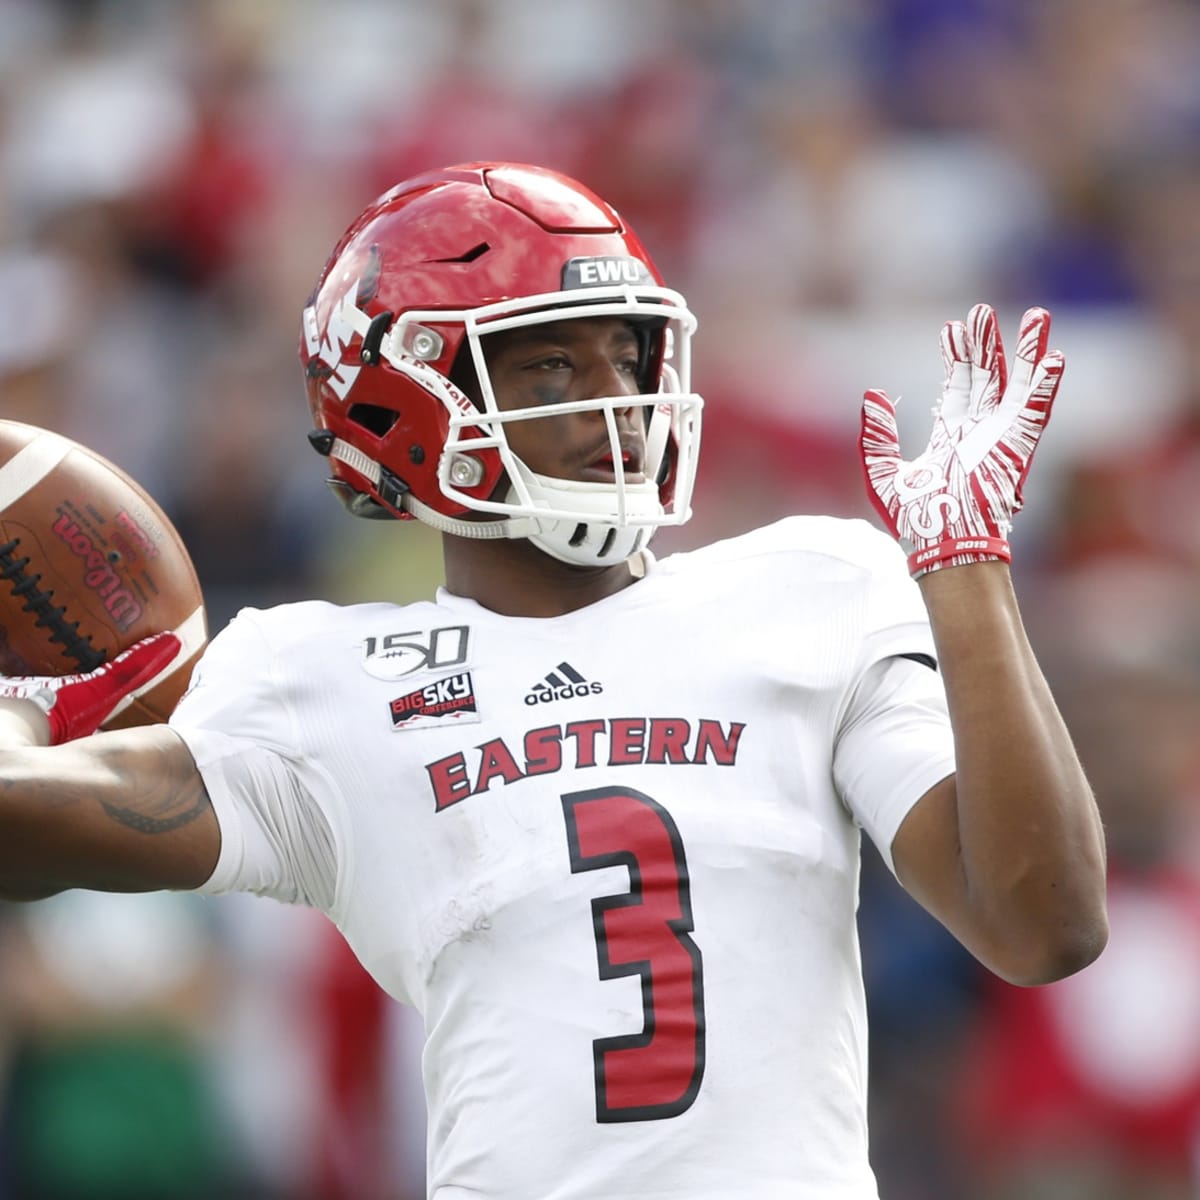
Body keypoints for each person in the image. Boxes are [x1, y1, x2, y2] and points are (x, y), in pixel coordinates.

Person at [0, 162, 1107, 1199]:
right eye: (550, 363)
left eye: (627, 357)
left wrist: (967, 573)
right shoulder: (321, 682)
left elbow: (1041, 925)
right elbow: (26, 827)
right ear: (401, 403)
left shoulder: (813, 588)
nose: (613, 400)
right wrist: (23, 696)